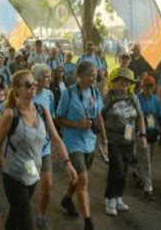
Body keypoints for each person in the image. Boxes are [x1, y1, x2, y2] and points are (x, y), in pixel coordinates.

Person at [0, 70, 78, 230]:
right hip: (13, 175)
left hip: (33, 172)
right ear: (17, 89)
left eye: (34, 84)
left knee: (16, 214)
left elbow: (56, 137)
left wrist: (68, 163)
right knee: (26, 220)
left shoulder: (42, 110)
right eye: (28, 85)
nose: (33, 87)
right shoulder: (11, 114)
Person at [56, 61, 108, 230]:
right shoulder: (68, 94)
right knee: (84, 180)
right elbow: (58, 118)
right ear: (80, 75)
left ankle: (66, 199)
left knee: (78, 178)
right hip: (73, 143)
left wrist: (104, 139)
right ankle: (88, 221)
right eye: (91, 75)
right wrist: (77, 125)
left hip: (90, 142)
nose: (94, 78)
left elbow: (99, 116)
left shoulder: (95, 91)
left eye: (95, 75)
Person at [102, 68, 146, 215]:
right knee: (118, 169)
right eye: (121, 83)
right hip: (113, 139)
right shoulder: (109, 97)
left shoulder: (133, 97)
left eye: (127, 83)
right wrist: (103, 138)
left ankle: (117, 197)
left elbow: (140, 116)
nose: (124, 86)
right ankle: (110, 199)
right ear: (116, 83)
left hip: (128, 139)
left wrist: (143, 135)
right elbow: (100, 116)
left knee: (124, 169)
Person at [30, 64, 56, 229]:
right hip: (29, 150)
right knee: (30, 183)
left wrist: (53, 143)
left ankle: (42, 215)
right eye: (46, 76)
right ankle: (22, 213)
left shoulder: (49, 95)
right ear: (38, 78)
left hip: (44, 148)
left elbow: (51, 121)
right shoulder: (26, 95)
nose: (49, 79)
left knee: (47, 184)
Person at [135, 75, 161, 201]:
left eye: (151, 86)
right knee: (146, 161)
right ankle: (148, 189)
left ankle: (137, 172)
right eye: (146, 86)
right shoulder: (136, 99)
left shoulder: (156, 100)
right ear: (142, 86)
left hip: (154, 133)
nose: (149, 89)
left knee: (148, 159)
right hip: (140, 134)